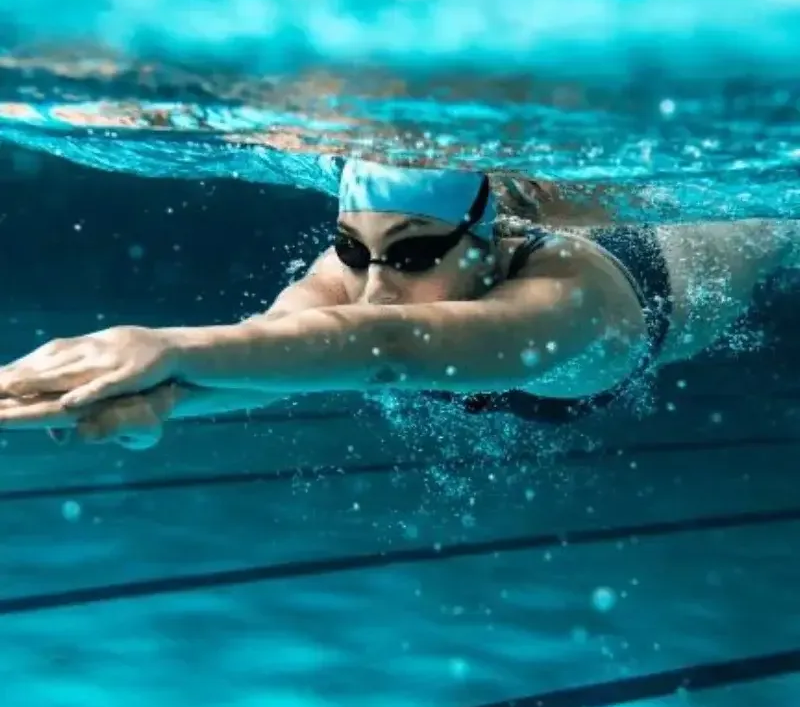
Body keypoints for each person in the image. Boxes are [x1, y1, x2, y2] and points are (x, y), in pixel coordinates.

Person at [0, 159, 795, 450]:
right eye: (354, 249)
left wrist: (166, 347)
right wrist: (159, 400)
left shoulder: (569, 295)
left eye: (414, 255)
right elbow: (273, 350)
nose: (373, 284)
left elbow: (389, 347)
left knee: (778, 228)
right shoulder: (359, 272)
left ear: (485, 241)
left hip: (685, 265)